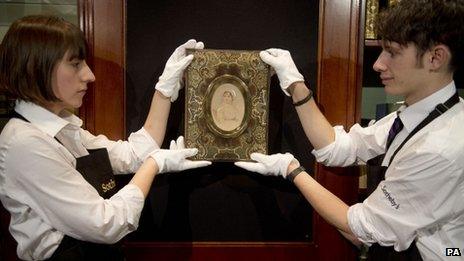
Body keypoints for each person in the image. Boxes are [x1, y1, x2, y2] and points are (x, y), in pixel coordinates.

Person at [235, 0, 464, 260]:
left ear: (436, 57)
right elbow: (338, 148)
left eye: (393, 52)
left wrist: (291, 170)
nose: (378, 64)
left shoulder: (439, 149)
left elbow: (361, 227)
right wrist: (295, 84)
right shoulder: (420, 115)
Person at [0, 15, 210, 260]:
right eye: (75, 64)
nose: (89, 75)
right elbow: (106, 223)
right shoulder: (25, 143)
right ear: (37, 67)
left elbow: (134, 154)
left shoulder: (63, 129)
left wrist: (165, 87)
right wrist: (155, 164)